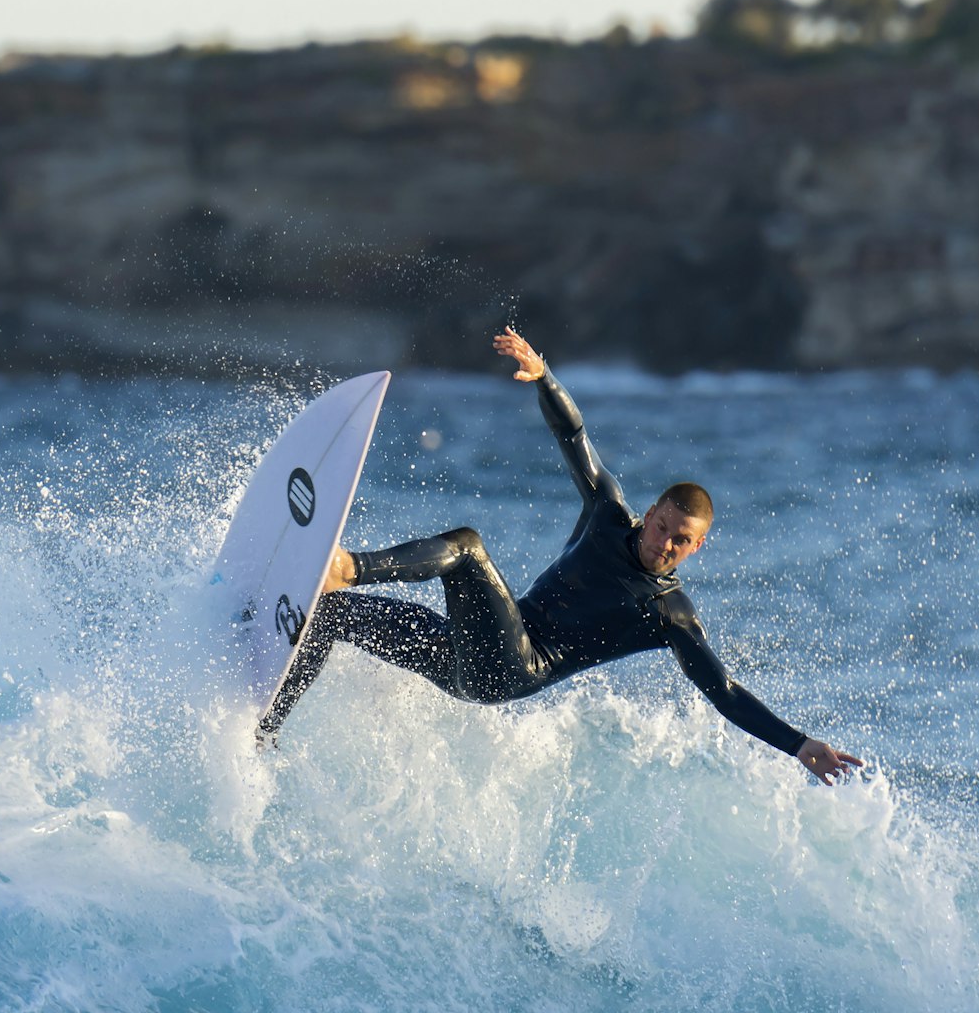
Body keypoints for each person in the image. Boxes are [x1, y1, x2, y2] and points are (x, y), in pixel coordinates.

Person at [261, 327, 862, 784]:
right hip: (465, 651)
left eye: (681, 541)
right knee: (333, 617)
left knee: (467, 548)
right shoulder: (606, 515)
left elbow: (723, 690)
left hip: (512, 670)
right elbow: (574, 439)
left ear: (696, 547)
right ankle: (263, 731)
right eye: (662, 528)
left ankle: (346, 565)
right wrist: (544, 377)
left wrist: (799, 744)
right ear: (650, 514)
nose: (665, 544)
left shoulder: (670, 614)